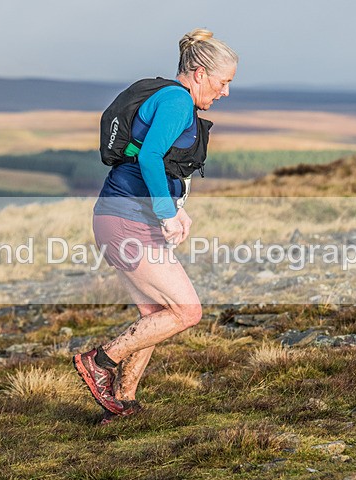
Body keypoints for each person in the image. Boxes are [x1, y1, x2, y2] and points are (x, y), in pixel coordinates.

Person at [73, 28, 238, 424]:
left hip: (119, 217)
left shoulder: (171, 98)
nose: (226, 92)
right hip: (126, 219)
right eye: (223, 82)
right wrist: (168, 213)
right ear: (199, 73)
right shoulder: (178, 100)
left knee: (155, 312)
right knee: (187, 311)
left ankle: (123, 401)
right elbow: (149, 158)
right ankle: (99, 362)